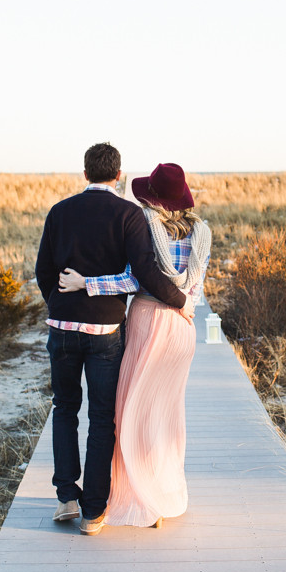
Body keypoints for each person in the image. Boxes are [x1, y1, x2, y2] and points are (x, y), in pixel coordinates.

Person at [35, 144, 186, 536]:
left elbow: (43, 271)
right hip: (105, 334)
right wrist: (180, 301)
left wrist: (59, 304)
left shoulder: (59, 212)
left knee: (64, 409)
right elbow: (146, 273)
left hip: (62, 329)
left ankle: (66, 495)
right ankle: (93, 513)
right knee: (103, 418)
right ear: (118, 175)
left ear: (85, 172)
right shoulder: (128, 214)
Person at [59, 162, 211, 529]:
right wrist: (185, 306)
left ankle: (140, 498)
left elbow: (131, 278)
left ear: (153, 198)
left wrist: (86, 284)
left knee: (128, 414)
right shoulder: (203, 233)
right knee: (165, 416)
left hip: (147, 323)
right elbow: (196, 291)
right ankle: (161, 498)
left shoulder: (145, 225)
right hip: (182, 327)